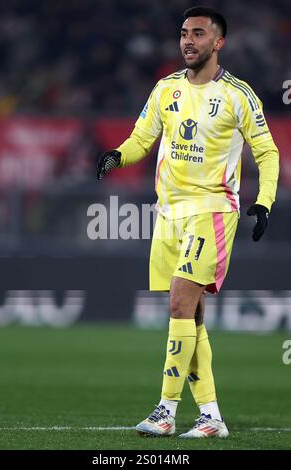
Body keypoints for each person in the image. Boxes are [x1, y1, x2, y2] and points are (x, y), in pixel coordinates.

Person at [96, 6, 279, 438]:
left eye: (198, 33)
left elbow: (267, 152)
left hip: (212, 210)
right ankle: (212, 417)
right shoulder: (166, 89)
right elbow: (143, 137)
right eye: (183, 33)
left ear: (218, 43)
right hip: (169, 214)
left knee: (180, 302)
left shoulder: (238, 94)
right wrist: (118, 155)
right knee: (190, 318)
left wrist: (264, 201)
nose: (187, 41)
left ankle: (165, 411)